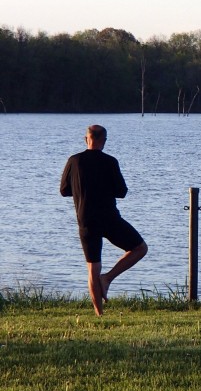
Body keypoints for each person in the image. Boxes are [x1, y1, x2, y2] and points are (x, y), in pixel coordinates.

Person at [60, 125, 148, 316]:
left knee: (92, 267)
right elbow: (121, 192)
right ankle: (107, 278)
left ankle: (99, 314)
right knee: (140, 248)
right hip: (109, 218)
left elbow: (64, 190)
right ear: (104, 141)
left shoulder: (73, 161)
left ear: (86, 139)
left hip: (85, 219)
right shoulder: (110, 162)